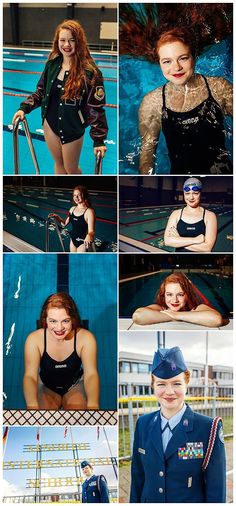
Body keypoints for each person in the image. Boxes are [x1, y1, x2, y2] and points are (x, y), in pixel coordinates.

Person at [130, 346, 226, 503]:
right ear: (153, 385)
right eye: (161, 384)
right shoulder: (143, 424)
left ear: (186, 383)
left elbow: (216, 490)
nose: (169, 391)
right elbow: (138, 477)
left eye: (176, 383)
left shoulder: (209, 429)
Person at [12, 19, 108, 174]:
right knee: (58, 163)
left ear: (79, 42)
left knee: (71, 168)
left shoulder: (90, 73)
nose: (67, 45)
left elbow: (96, 108)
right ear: (57, 42)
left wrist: (98, 140)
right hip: (49, 124)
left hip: (72, 127)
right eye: (63, 40)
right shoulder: (52, 64)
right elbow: (41, 91)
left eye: (72, 40)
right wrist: (24, 108)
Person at [139, 27, 233, 175]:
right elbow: (147, 155)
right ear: (159, 64)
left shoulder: (219, 88)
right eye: (167, 61)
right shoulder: (153, 102)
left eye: (183, 58)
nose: (176, 67)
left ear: (194, 57)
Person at [23, 292, 99, 410]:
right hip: (47, 387)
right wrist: (31, 405)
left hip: (74, 386)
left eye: (65, 321)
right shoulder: (34, 340)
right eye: (53, 321)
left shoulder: (85, 339)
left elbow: (91, 374)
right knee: (44, 418)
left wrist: (93, 404)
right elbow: (30, 376)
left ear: (73, 319)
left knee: (78, 417)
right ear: (45, 320)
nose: (59, 328)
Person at [132, 272, 223, 327]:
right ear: (164, 295)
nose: (174, 300)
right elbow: (138, 316)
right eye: (169, 294)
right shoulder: (160, 308)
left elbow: (216, 320)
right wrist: (175, 316)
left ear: (187, 295)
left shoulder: (196, 308)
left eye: (180, 295)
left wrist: (177, 315)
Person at [164, 177, 217, 252]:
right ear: (183, 194)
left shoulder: (209, 216)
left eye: (195, 193)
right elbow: (167, 241)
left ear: (200, 193)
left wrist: (178, 240)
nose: (191, 197)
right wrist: (195, 240)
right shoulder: (175, 214)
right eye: (187, 193)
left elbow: (207, 248)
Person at [49, 185, 96, 252]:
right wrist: (57, 217)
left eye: (79, 195)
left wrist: (89, 235)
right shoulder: (72, 209)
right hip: (73, 241)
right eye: (74, 195)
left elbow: (92, 231)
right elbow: (64, 224)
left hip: (83, 242)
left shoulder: (89, 212)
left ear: (84, 195)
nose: (76, 197)